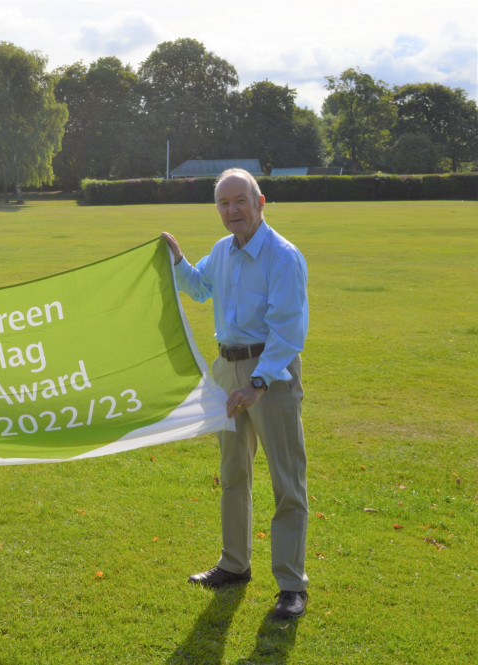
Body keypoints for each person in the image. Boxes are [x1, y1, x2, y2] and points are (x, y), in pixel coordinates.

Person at [161, 168, 309, 619]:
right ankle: (234, 564)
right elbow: (201, 288)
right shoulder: (222, 251)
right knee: (233, 473)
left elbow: (288, 331)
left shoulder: (283, 257)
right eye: (223, 203)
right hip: (226, 368)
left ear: (259, 201)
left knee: (287, 480)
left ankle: (290, 584)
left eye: (239, 201)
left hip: (272, 374)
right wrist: (179, 261)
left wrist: (258, 383)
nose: (232, 211)